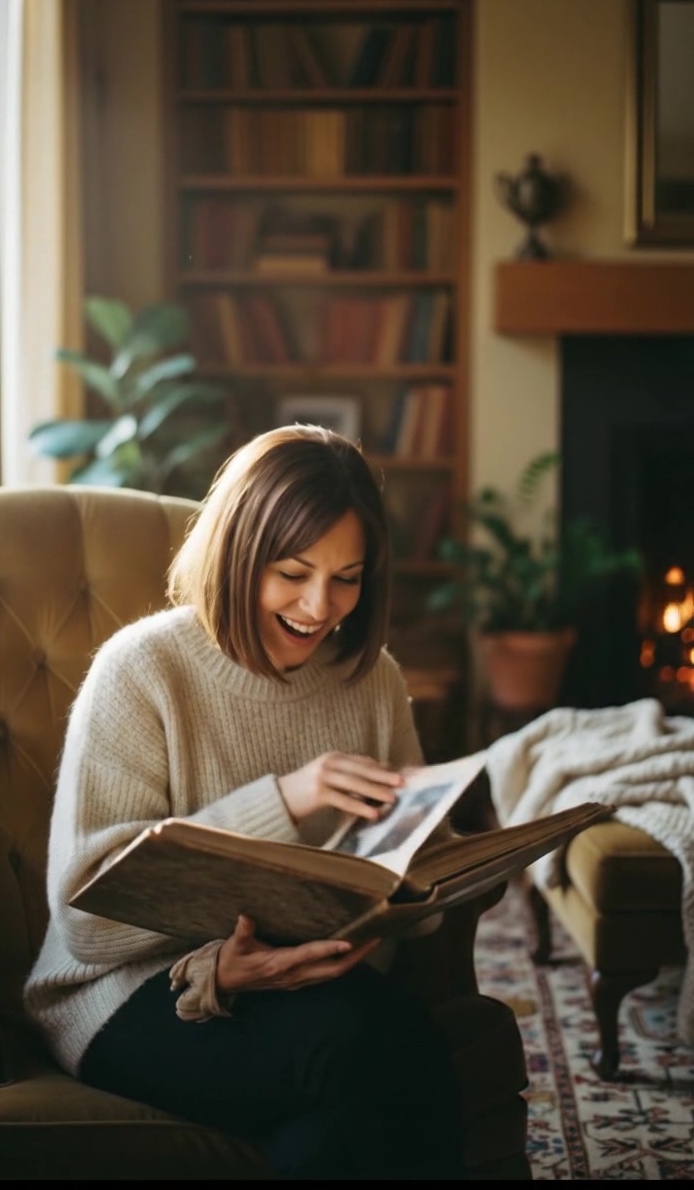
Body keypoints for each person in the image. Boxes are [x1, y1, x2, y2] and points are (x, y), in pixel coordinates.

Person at [24, 424, 465, 1180]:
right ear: (237, 554)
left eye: (348, 577)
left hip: (320, 986)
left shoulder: (372, 679)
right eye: (293, 572)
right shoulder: (142, 670)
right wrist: (287, 801)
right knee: (374, 1054)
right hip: (127, 996)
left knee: (352, 1097)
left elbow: (420, 897)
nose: (320, 606)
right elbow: (86, 921)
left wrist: (430, 870)